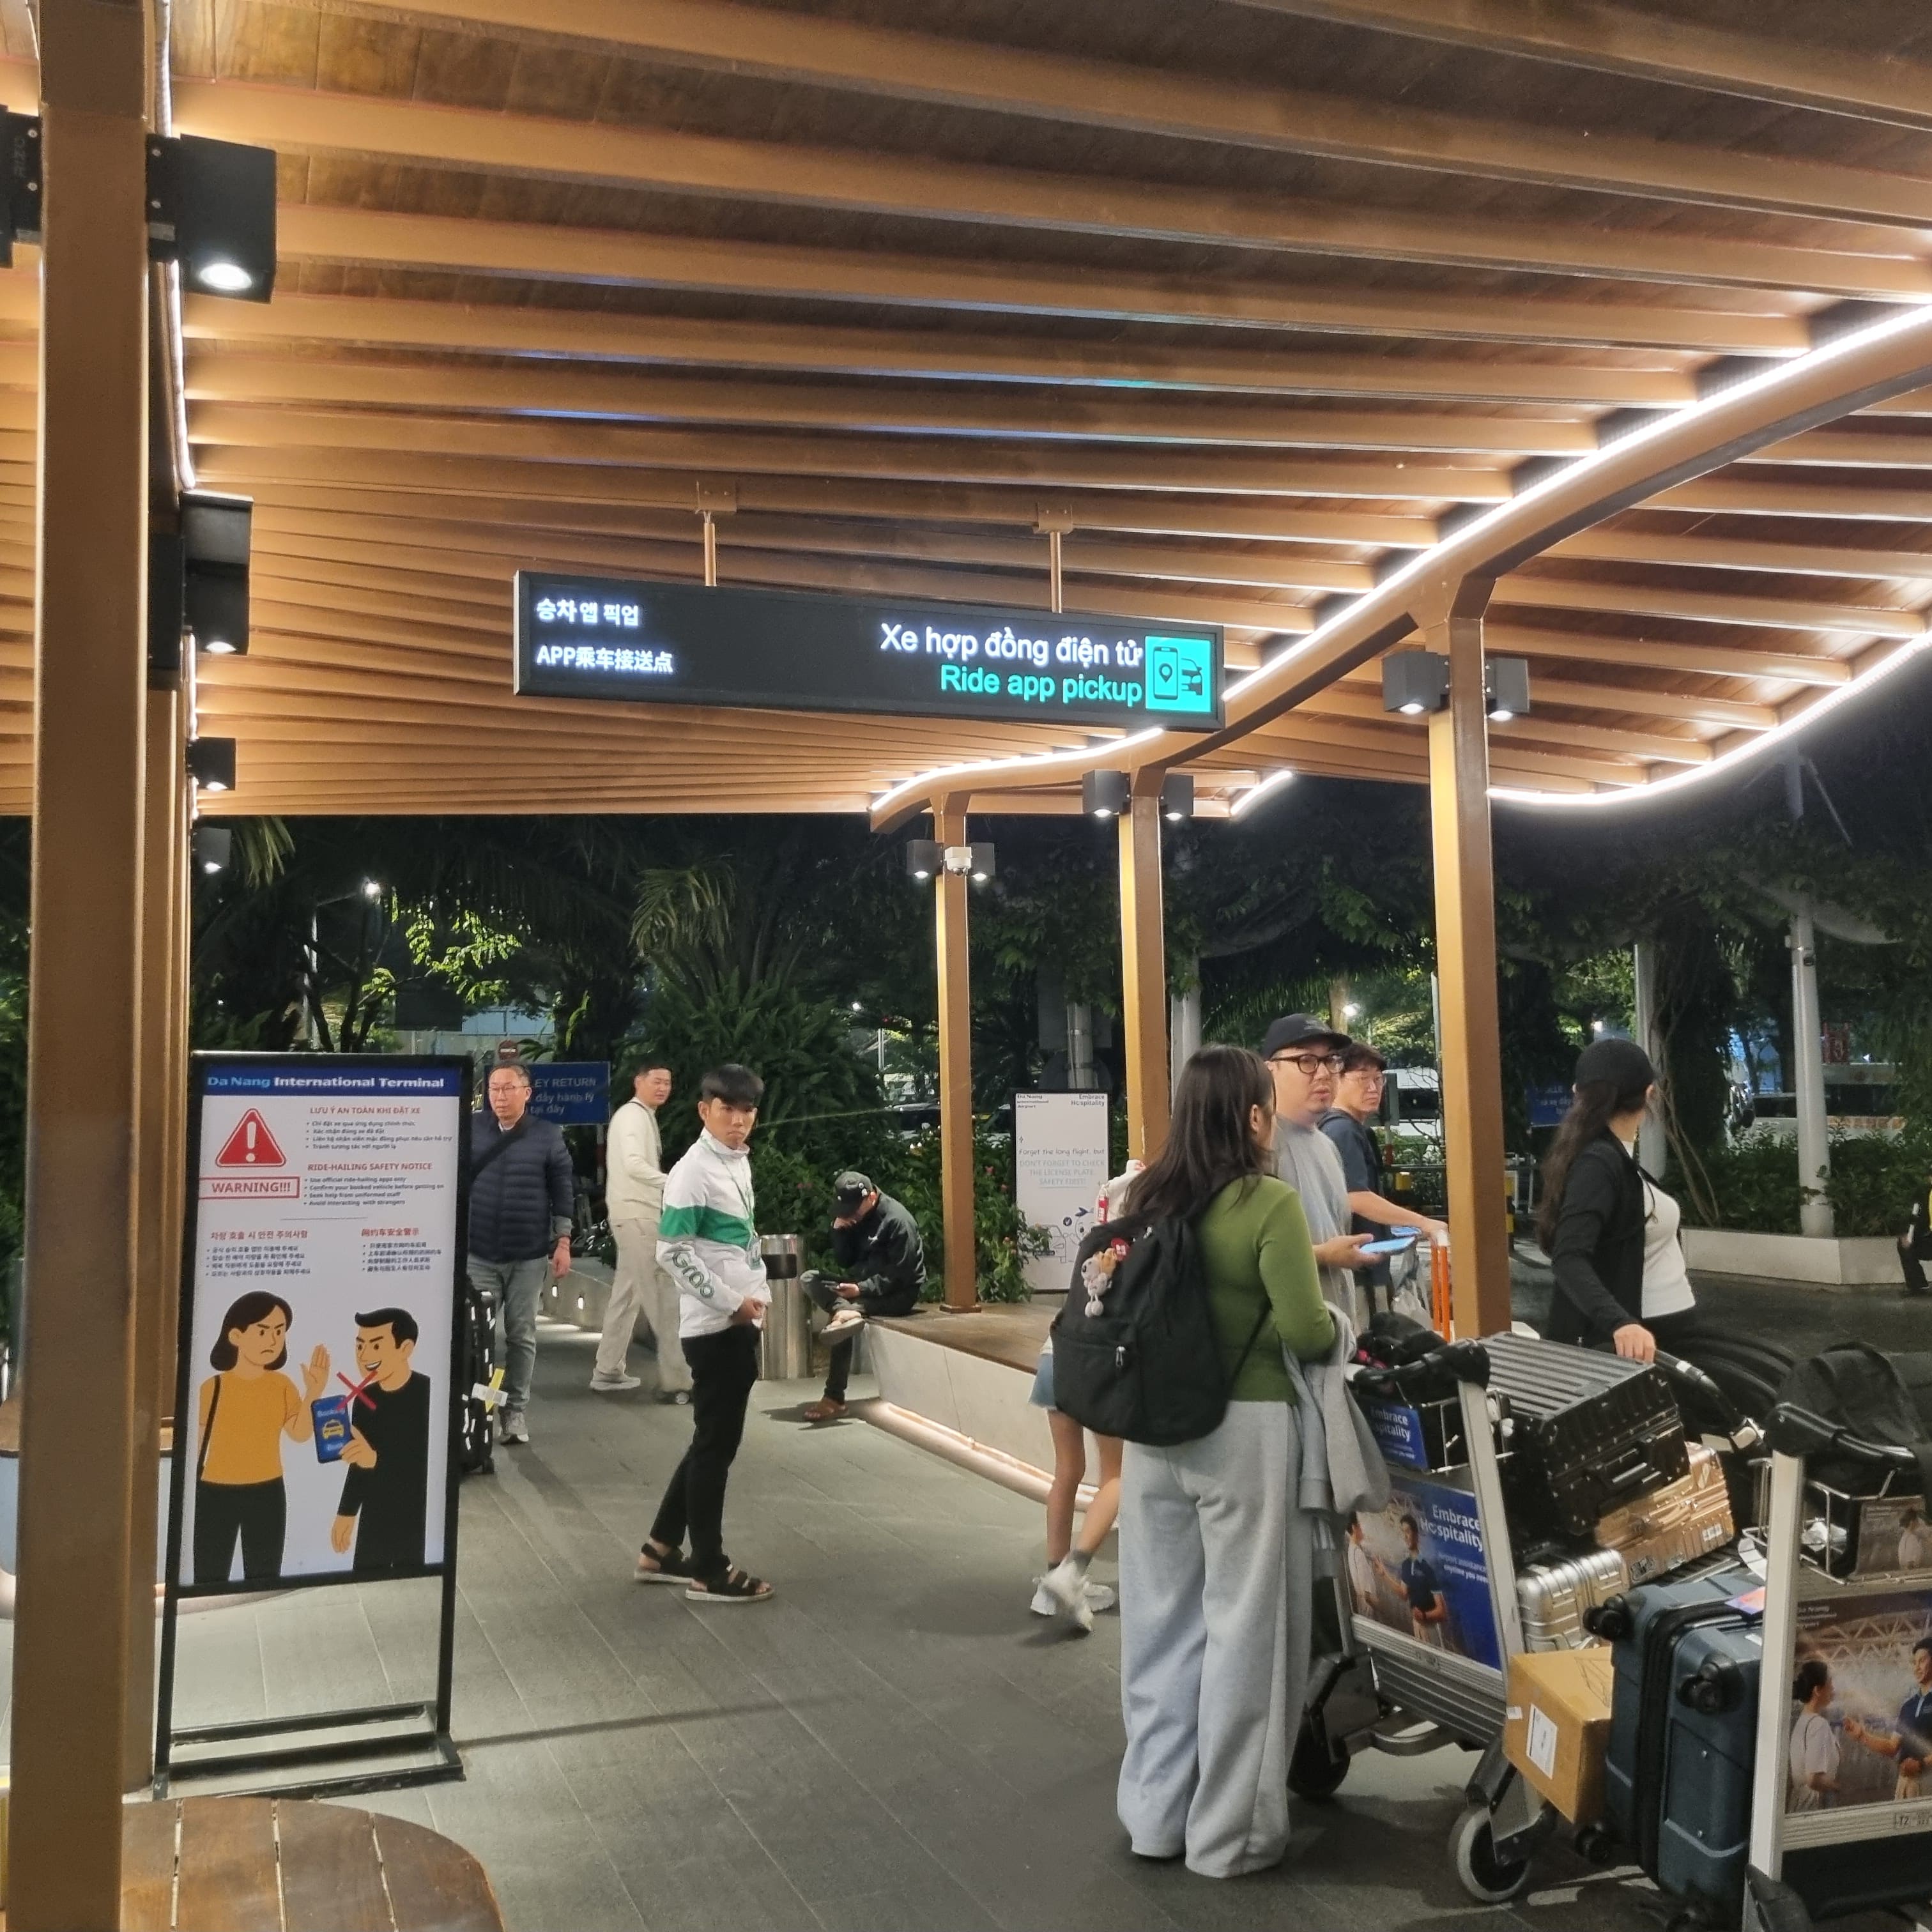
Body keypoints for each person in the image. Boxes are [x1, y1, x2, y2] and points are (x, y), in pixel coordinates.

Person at [1116, 1043, 1336, 1879]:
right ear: (1251, 1116)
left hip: (1151, 1433)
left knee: (1160, 1626)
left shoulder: (1143, 1197)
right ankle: (1227, 1838)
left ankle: (1155, 1817)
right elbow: (1307, 1331)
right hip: (1243, 1431)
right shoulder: (1268, 1202)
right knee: (1245, 1630)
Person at [636, 1064, 774, 1603]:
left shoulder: (734, 1161)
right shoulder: (693, 1171)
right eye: (727, 1110)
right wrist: (733, 1303)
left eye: (747, 1111)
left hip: (734, 1322)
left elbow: (735, 1245)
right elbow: (672, 1252)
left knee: (708, 1442)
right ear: (704, 1110)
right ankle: (709, 1569)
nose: (738, 1121)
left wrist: (752, 1299)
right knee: (716, 1449)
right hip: (717, 1327)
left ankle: (660, 1549)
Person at [1537, 1037, 1673, 1362]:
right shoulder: (1599, 1162)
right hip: (1628, 1343)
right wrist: (1620, 1323)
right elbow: (1569, 1256)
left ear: (1577, 1093)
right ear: (1649, 1093)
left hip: (1655, 1333)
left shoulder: (1610, 1158)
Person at [467, 1061, 575, 1445]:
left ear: (526, 1093)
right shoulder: (471, 1129)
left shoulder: (547, 1135)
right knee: (477, 1336)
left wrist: (563, 1242)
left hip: (528, 1255)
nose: (500, 1096)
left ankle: (514, 1411)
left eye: (508, 1088)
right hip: (478, 1251)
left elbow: (563, 1188)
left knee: (521, 1335)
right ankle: (478, 1410)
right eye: (494, 1089)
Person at [194, 1292, 330, 1585]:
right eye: (263, 1331)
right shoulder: (213, 1387)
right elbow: (197, 1444)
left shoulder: (282, 1385)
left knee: (265, 1575)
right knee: (209, 1576)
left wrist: (314, 1392)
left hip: (268, 1491)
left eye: (279, 1332)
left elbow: (300, 1434)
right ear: (236, 1336)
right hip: (215, 1492)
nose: (273, 1340)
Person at [1262, 1014, 1374, 1319]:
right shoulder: (1260, 1145)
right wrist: (1324, 1255)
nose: (1323, 1073)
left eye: (1331, 1061)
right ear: (1270, 1069)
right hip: (1291, 1330)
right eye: (1307, 1061)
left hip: (1339, 1328)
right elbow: (1244, 1255)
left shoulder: (1327, 1144)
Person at [1319, 1043, 1447, 1300]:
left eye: (1378, 1079)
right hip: (1359, 1273)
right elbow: (1356, 1197)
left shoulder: (1348, 1128)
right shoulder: (1342, 1131)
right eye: (1362, 1078)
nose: (1373, 1088)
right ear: (1336, 1080)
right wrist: (1422, 1223)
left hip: (1363, 1266)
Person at [801, 1170, 926, 1422]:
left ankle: (834, 1398)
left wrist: (862, 1289)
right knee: (809, 1278)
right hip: (861, 1286)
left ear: (871, 1197)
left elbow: (901, 1275)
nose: (850, 1215)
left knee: (842, 1323)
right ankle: (844, 1310)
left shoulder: (898, 1221)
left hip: (898, 1294)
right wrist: (839, 1231)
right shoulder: (855, 1217)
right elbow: (846, 1261)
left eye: (853, 1209)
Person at [594, 1059, 682, 1400]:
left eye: (667, 1082)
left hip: (632, 1214)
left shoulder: (638, 1115)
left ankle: (607, 1369)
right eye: (656, 1081)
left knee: (628, 1295)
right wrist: (672, 1181)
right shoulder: (633, 1116)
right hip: (638, 1215)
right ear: (638, 1082)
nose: (663, 1088)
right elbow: (633, 1165)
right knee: (659, 1294)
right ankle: (680, 1378)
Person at [330, 1307, 433, 1572]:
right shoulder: (364, 1399)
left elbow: (423, 1458)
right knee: (366, 1572)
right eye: (360, 1346)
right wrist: (347, 1512)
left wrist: (376, 1460)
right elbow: (359, 1462)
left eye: (376, 1346)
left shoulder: (426, 1392)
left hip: (417, 1513)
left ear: (405, 1348)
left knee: (413, 1574)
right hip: (374, 1513)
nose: (364, 1356)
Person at [1843, 1636, 1932, 1800]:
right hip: (1905, 1783)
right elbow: (1892, 1747)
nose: (1917, 1668)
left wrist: (1922, 1764)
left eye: (1922, 1661)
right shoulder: (1908, 1706)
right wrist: (1862, 1736)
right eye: (1914, 1663)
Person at [1788, 1661, 1843, 1812]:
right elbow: (1814, 1779)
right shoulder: (1818, 1724)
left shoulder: (1803, 1721)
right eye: (1830, 1684)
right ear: (1817, 1690)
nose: (1832, 1689)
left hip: (1801, 1803)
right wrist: (1838, 1787)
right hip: (1814, 1805)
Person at [1899, 1162, 1932, 1298]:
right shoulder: (1924, 1195)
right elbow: (1916, 1217)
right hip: (1929, 1238)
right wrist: (1910, 1236)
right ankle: (1918, 1285)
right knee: (1905, 1245)